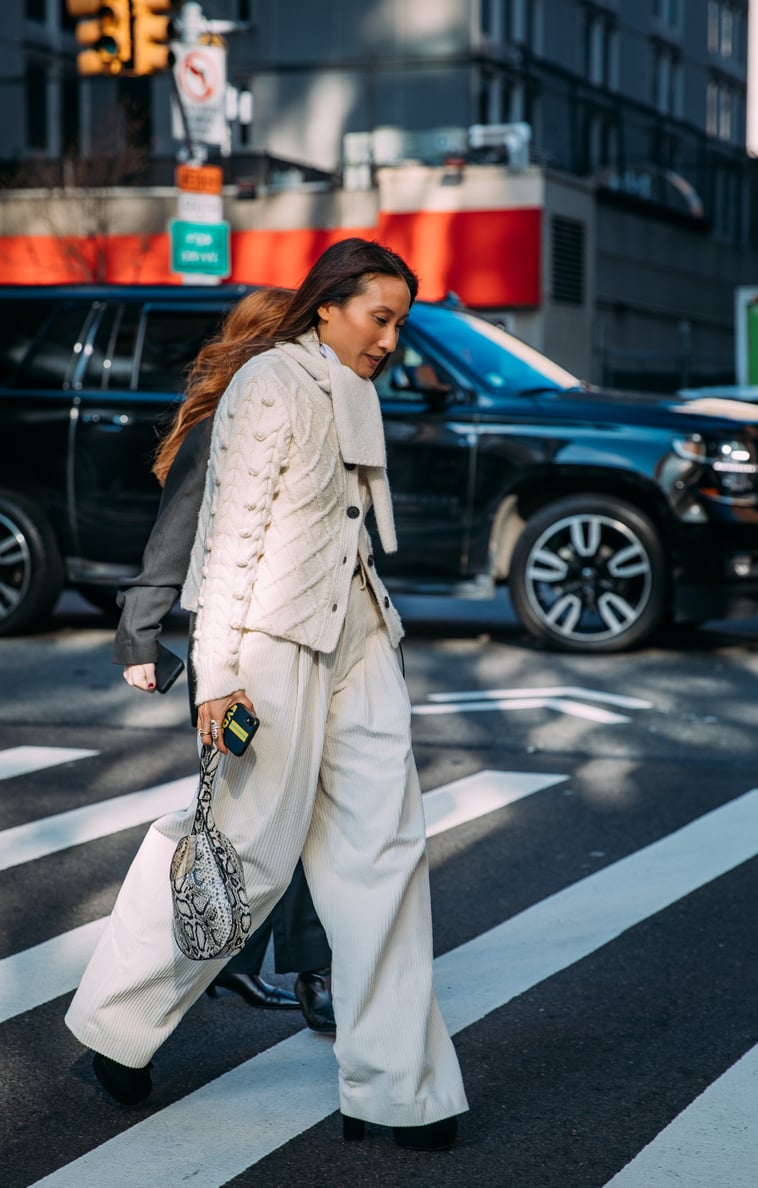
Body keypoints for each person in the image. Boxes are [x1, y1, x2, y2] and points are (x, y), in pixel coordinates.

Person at [66, 237, 468, 1151]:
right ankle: (117, 1031)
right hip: (272, 647)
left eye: (401, 322)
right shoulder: (270, 386)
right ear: (328, 305)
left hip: (362, 641)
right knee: (241, 858)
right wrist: (219, 676)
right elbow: (230, 541)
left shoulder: (355, 390)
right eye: (381, 317)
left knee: (386, 857)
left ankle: (397, 1092)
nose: (391, 338)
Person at [114, 287, 334, 1033]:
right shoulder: (229, 422)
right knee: (246, 827)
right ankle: (141, 1006)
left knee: (289, 819)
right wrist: (139, 634)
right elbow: (176, 532)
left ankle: (289, 969)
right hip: (233, 663)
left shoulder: (295, 412)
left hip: (293, 654)